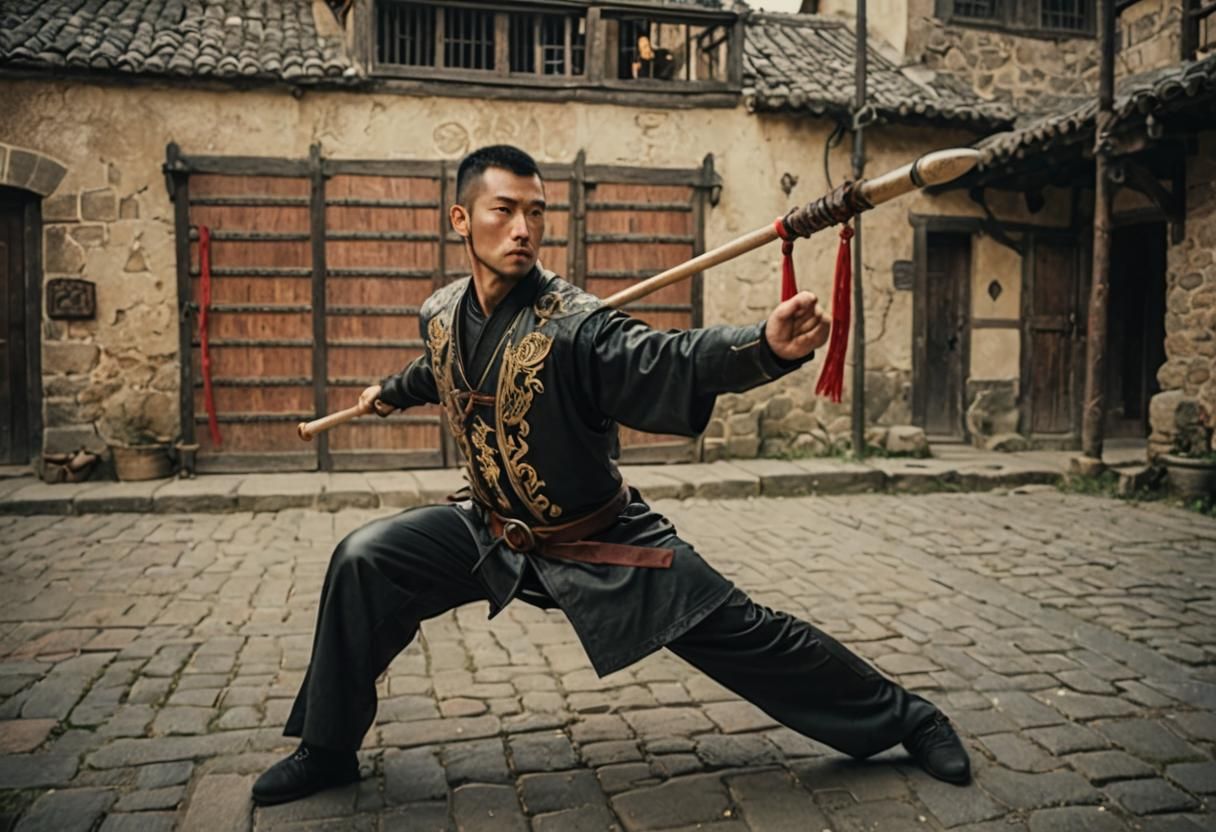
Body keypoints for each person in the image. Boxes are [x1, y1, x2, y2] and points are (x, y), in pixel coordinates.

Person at [251, 145, 971, 807]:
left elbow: (667, 358)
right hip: (489, 529)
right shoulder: (439, 311)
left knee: (749, 633)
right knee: (364, 559)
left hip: (601, 544)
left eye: (536, 212)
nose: (523, 228)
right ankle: (326, 749)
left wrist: (762, 348)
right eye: (504, 211)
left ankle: (908, 718)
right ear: (461, 220)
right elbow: (446, 369)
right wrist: (390, 392)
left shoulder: (579, 326)